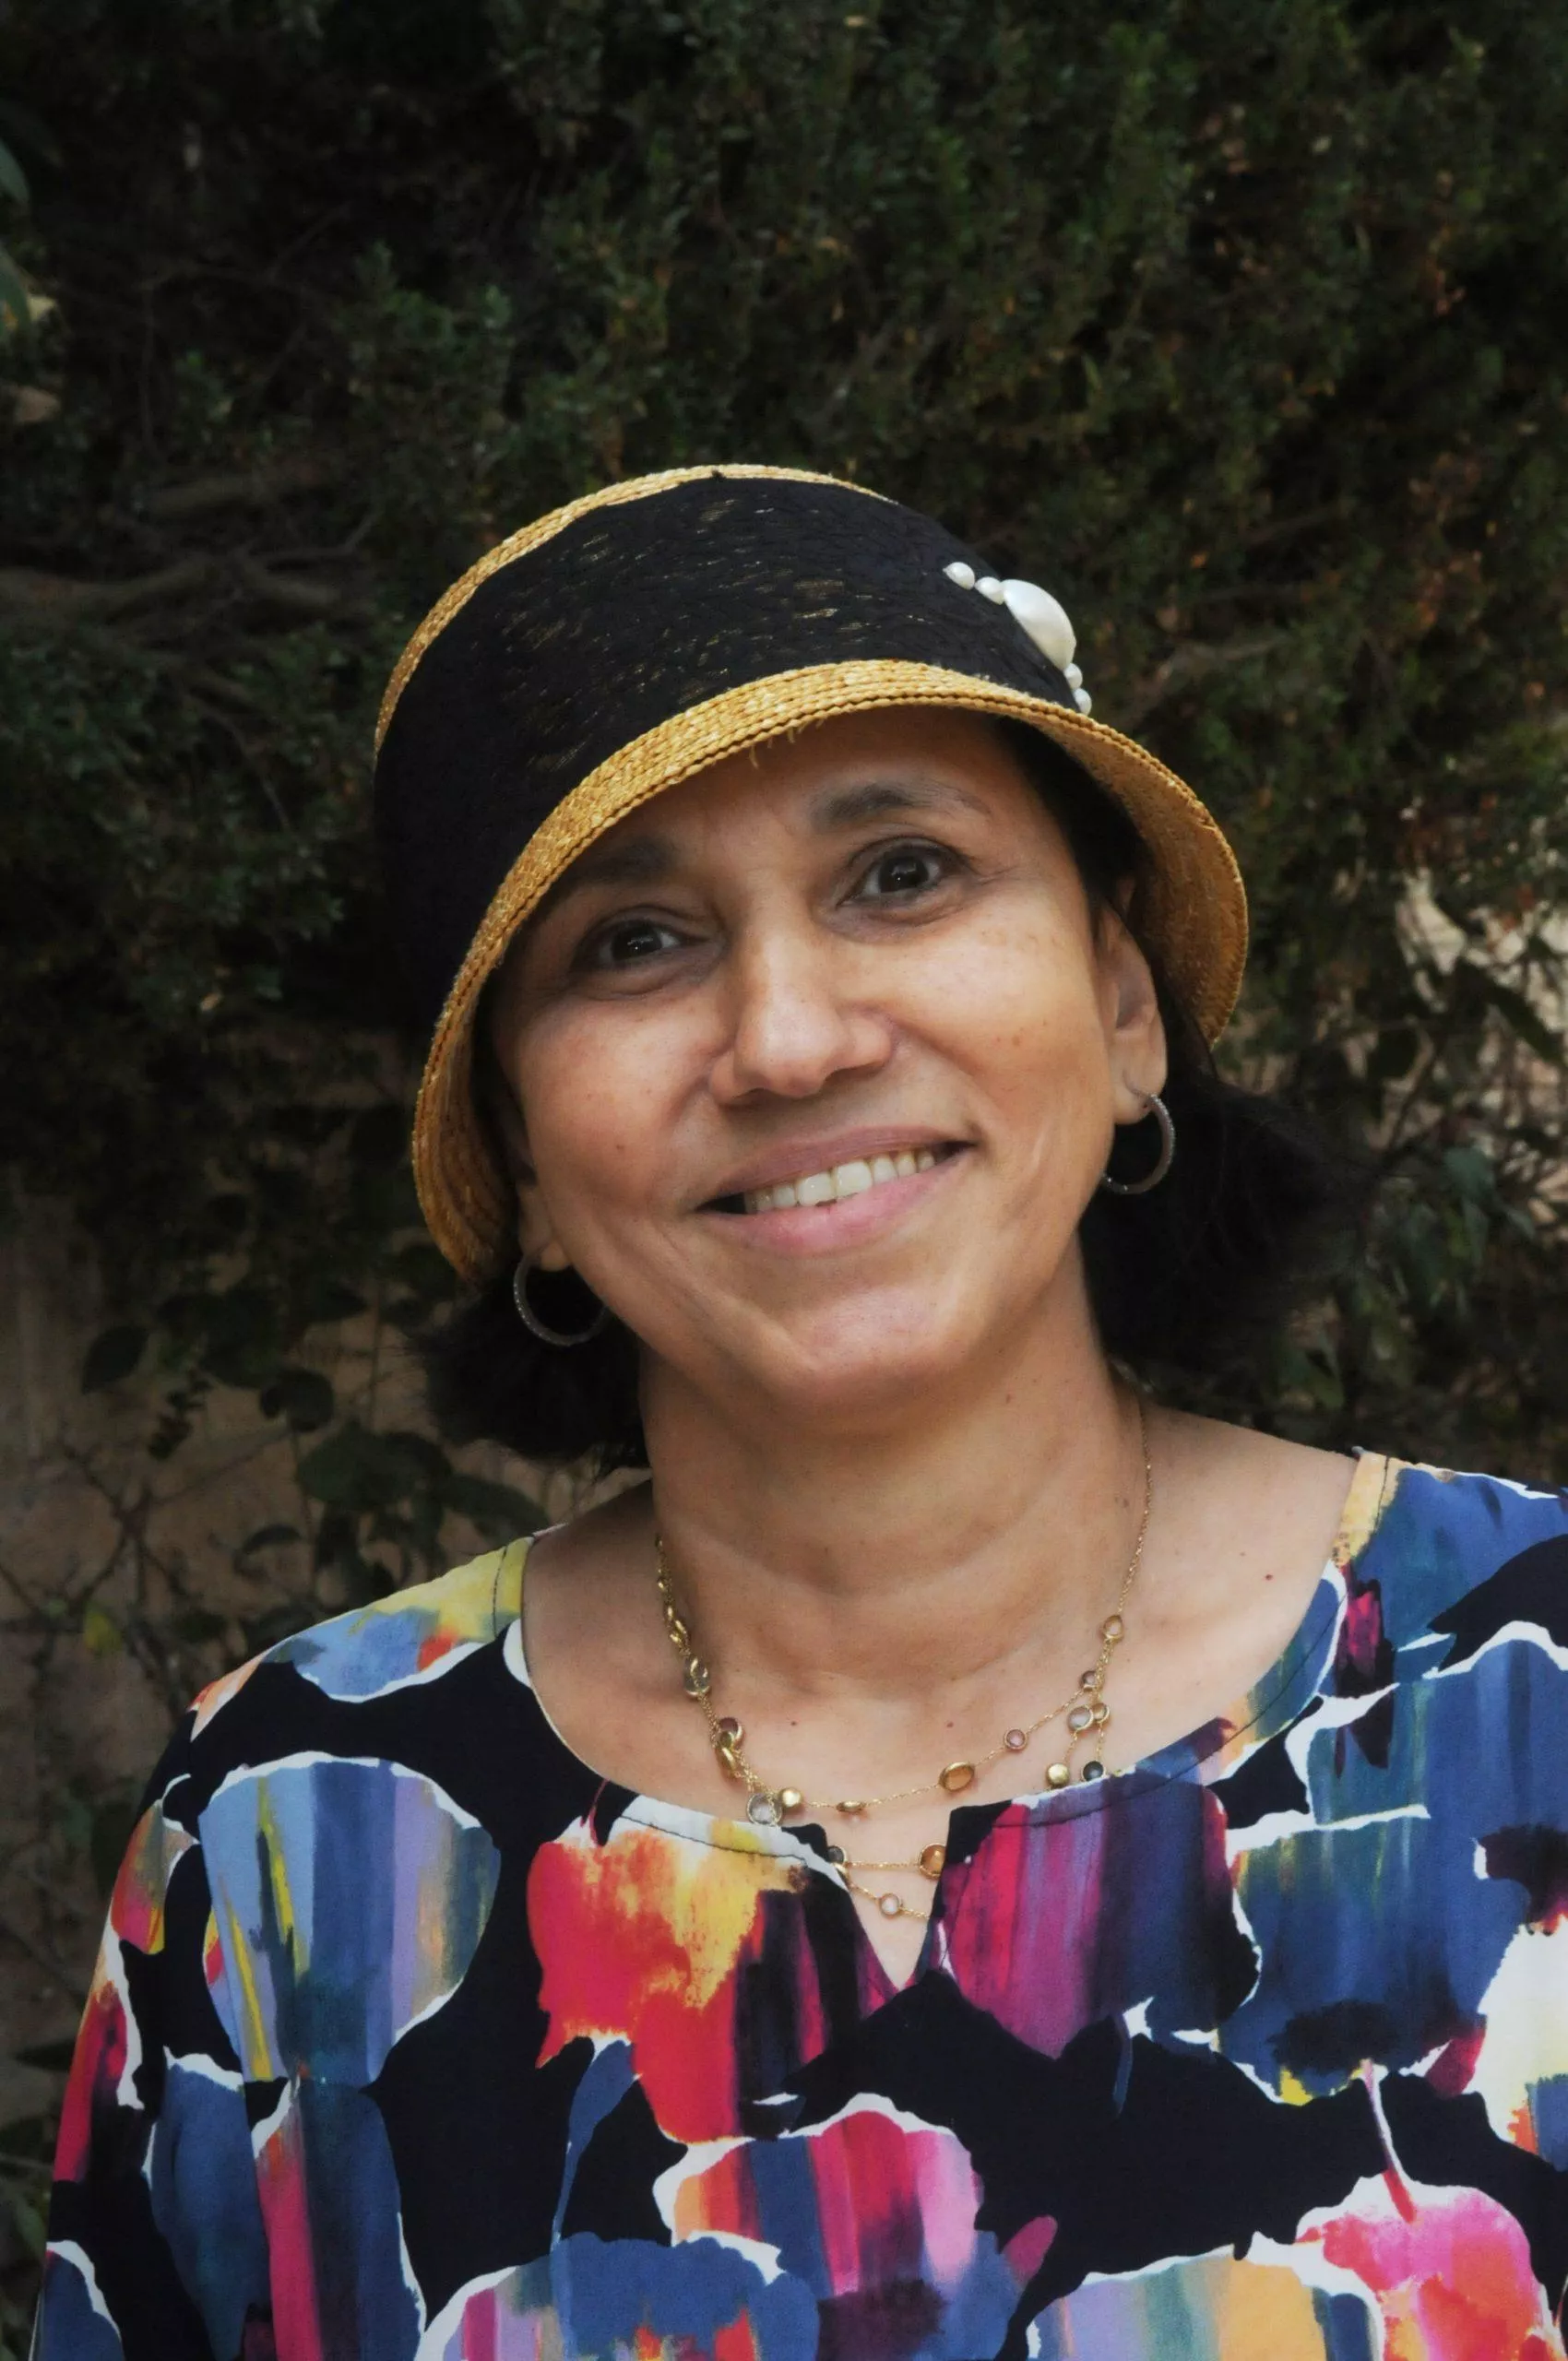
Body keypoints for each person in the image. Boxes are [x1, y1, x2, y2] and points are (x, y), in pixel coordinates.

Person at [34, 465, 1568, 2361]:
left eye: (900, 873)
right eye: (633, 941)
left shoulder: (1533, 1688)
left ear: (1123, 1001)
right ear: (521, 1157)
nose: (787, 1037)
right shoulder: (293, 1833)